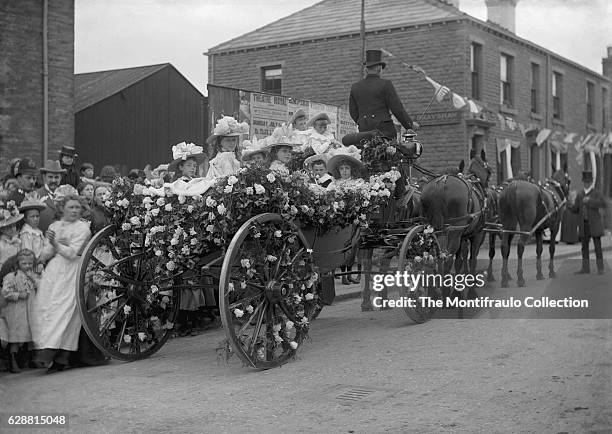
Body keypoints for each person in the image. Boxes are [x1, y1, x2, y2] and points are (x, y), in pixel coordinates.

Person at [30, 194, 91, 373]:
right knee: (45, 306)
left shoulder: (83, 229)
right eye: (70, 207)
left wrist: (57, 244)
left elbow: (72, 253)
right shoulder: (54, 226)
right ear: (62, 208)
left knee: (64, 311)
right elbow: (49, 250)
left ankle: (60, 356)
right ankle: (43, 350)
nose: (74, 211)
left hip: (72, 272)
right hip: (54, 271)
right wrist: (40, 258)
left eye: (77, 207)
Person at [349, 49, 416, 140]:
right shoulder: (385, 84)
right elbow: (397, 108)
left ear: (366, 70)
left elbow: (353, 111)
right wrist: (409, 125)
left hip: (364, 131)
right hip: (384, 131)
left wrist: (362, 122)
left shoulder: (355, 87)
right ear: (380, 69)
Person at [326, 146, 365, 285]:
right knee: (340, 246)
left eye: (346, 169)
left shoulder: (358, 183)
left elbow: (360, 198)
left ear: (351, 170)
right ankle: (342, 274)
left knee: (352, 246)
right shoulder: (333, 183)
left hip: (352, 218)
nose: (344, 171)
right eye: (341, 169)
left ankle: (349, 274)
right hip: (337, 218)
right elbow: (328, 197)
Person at [1, 249, 38, 373]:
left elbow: (40, 287)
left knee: (29, 335)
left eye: (30, 263)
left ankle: (29, 360)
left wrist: (34, 279)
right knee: (16, 337)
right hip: (16, 312)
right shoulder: (11, 277)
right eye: (24, 264)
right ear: (18, 264)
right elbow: (5, 292)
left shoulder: (32, 276)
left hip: (29, 311)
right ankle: (12, 361)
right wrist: (18, 295)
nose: (27, 266)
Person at [567, 171, 606, 275]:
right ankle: (585, 268)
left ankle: (600, 268)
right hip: (584, 225)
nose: (587, 184)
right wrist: (569, 205)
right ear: (583, 182)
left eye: (588, 182)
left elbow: (603, 204)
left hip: (595, 225)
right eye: (585, 182)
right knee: (584, 248)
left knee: (597, 247)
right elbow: (576, 209)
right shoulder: (580, 194)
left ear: (591, 182)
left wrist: (589, 201)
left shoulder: (596, 193)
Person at [36, 160, 66, 233]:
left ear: (61, 178)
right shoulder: (36, 195)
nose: (53, 180)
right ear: (44, 177)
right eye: (50, 177)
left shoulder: (67, 194)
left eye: (56, 177)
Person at [18, 197, 47, 264]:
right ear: (25, 219)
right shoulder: (26, 233)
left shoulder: (38, 231)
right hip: (33, 264)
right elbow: (27, 252)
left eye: (37, 216)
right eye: (32, 216)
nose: (36, 219)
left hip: (41, 261)